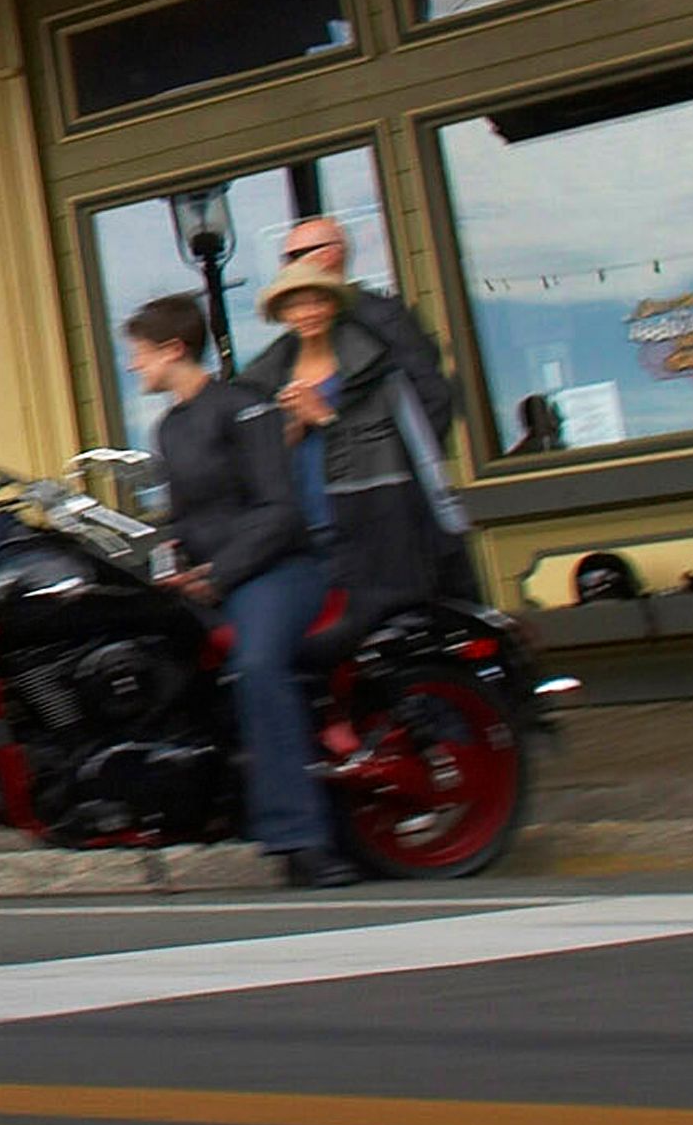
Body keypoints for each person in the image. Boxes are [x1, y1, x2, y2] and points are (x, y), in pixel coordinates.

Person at [125, 292, 357, 888]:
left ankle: (302, 840)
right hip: (212, 582)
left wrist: (218, 575)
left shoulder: (242, 406)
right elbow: (183, 519)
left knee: (256, 666)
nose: (133, 366)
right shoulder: (169, 427)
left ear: (176, 349)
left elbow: (279, 513)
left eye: (140, 354)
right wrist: (163, 566)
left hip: (277, 572)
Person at [253, 255, 452, 628]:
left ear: (334, 305)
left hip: (374, 520)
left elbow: (403, 441)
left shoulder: (373, 365)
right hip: (305, 531)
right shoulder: (265, 379)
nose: (307, 312)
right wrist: (287, 434)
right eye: (295, 304)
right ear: (281, 313)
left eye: (317, 300)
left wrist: (326, 417)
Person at [248, 212, 453, 440]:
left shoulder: (381, 319)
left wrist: (397, 460)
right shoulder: (286, 349)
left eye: (294, 256)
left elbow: (431, 395)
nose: (286, 266)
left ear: (331, 253)